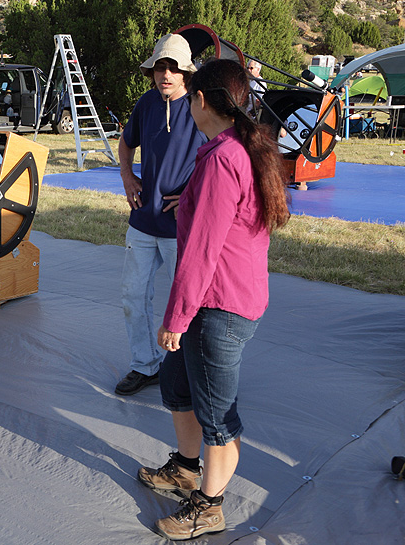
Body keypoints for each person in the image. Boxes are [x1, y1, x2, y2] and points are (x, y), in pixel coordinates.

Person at [137, 59, 290, 540]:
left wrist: (176, 320)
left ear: (201, 100)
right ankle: (185, 468)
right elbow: (232, 215)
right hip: (219, 298)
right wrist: (193, 199)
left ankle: (210, 506)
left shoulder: (224, 157)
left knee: (218, 417)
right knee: (175, 386)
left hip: (218, 305)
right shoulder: (234, 148)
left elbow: (202, 253)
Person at [115, 33, 207, 396]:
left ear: (186, 72)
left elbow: (222, 156)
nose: (165, 74)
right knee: (132, 296)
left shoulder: (201, 106)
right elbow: (126, 142)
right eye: (159, 67)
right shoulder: (147, 103)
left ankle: (196, 374)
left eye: (173, 68)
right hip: (143, 219)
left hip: (180, 226)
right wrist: (127, 176)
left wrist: (190, 193)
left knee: (189, 303)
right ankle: (145, 365)